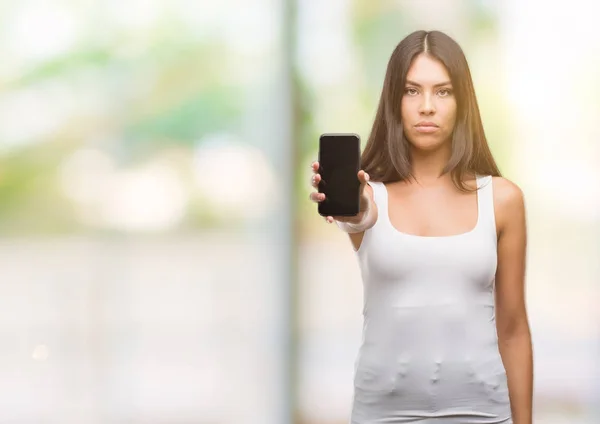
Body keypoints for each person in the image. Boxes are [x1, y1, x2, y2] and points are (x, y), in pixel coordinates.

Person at [309, 30, 533, 424]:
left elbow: (513, 328)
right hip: (382, 414)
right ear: (394, 101)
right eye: (412, 91)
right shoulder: (369, 196)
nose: (427, 106)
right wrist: (351, 209)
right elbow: (359, 217)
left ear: (462, 102)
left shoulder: (502, 199)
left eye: (442, 92)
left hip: (482, 413)